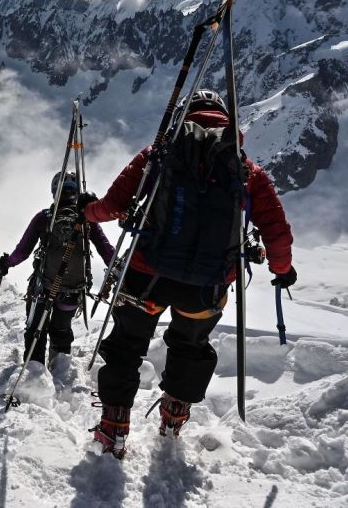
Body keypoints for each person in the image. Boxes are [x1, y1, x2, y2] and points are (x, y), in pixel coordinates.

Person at [83, 90, 295, 458]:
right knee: (191, 348)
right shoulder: (246, 170)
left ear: (184, 117)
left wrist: (87, 214)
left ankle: (113, 427)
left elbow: (114, 206)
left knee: (126, 347)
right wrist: (282, 270)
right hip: (206, 287)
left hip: (146, 278)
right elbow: (276, 232)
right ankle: (173, 419)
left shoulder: (157, 156)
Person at [0, 171, 115, 367]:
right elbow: (106, 249)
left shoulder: (44, 218)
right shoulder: (87, 220)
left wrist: (7, 263)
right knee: (62, 329)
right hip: (73, 289)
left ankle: (34, 371)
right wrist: (121, 270)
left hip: (43, 286)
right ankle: (60, 368)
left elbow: (23, 251)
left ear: (54, 191)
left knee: (36, 329)